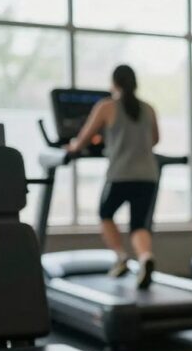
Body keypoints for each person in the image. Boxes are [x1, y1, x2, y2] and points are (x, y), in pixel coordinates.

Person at [66, 65, 159, 290]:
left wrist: (72, 147)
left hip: (120, 174)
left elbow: (84, 138)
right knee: (139, 225)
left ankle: (121, 257)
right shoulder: (148, 108)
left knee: (105, 214)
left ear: (114, 83)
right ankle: (145, 257)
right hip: (148, 175)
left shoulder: (107, 106)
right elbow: (155, 139)